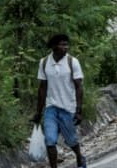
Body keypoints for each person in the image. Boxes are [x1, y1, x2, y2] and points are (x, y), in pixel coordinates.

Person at [33, 34, 87, 168]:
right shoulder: (44, 62)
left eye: (66, 45)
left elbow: (79, 87)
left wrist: (79, 110)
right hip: (51, 108)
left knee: (71, 140)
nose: (65, 48)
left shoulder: (72, 62)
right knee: (50, 140)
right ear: (53, 47)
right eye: (62, 45)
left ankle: (80, 157)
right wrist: (38, 112)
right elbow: (42, 88)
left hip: (68, 108)